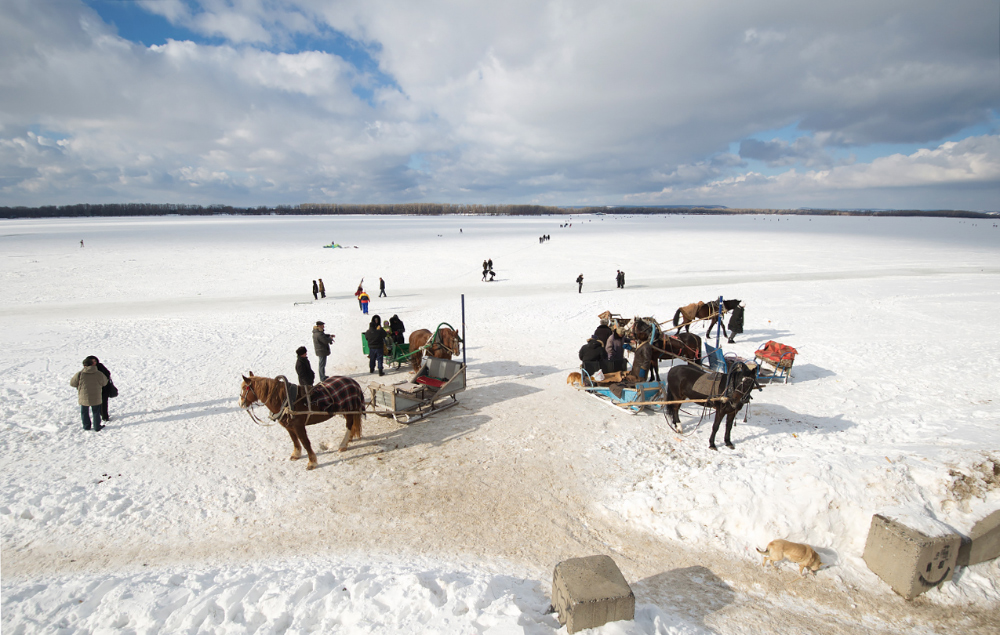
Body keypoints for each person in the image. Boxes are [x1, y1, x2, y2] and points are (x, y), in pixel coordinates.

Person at [70, 357, 108, 431]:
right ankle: (97, 426)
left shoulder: (80, 374)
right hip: (96, 396)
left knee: (84, 412)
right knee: (96, 412)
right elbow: (104, 383)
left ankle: (86, 426)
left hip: (83, 396)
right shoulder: (99, 373)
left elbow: (72, 383)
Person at [87, 356, 114, 422]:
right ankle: (98, 416)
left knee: (104, 403)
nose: (94, 362)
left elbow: (108, 373)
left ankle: (105, 416)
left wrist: (103, 380)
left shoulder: (100, 366)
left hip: (104, 388)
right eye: (92, 361)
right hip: (94, 389)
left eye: (95, 361)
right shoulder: (87, 369)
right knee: (96, 404)